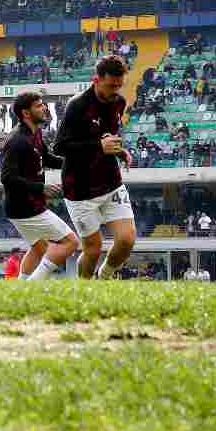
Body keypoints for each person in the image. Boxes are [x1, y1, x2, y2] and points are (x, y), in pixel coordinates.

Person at [54, 56, 134, 280]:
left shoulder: (119, 102)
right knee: (93, 249)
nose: (115, 90)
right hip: (80, 190)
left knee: (127, 240)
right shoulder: (77, 105)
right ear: (96, 80)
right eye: (111, 85)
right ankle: (85, 289)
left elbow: (106, 136)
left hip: (110, 182)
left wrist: (119, 151)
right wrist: (98, 146)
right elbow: (60, 147)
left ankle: (105, 276)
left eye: (119, 85)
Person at [0, 92, 79, 280]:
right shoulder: (17, 141)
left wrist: (74, 163)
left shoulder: (35, 132)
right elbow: (7, 178)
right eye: (38, 106)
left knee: (39, 247)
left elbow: (47, 158)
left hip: (22, 207)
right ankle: (33, 286)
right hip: (26, 208)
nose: (44, 108)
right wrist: (40, 188)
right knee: (70, 242)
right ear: (26, 113)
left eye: (43, 104)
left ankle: (21, 288)